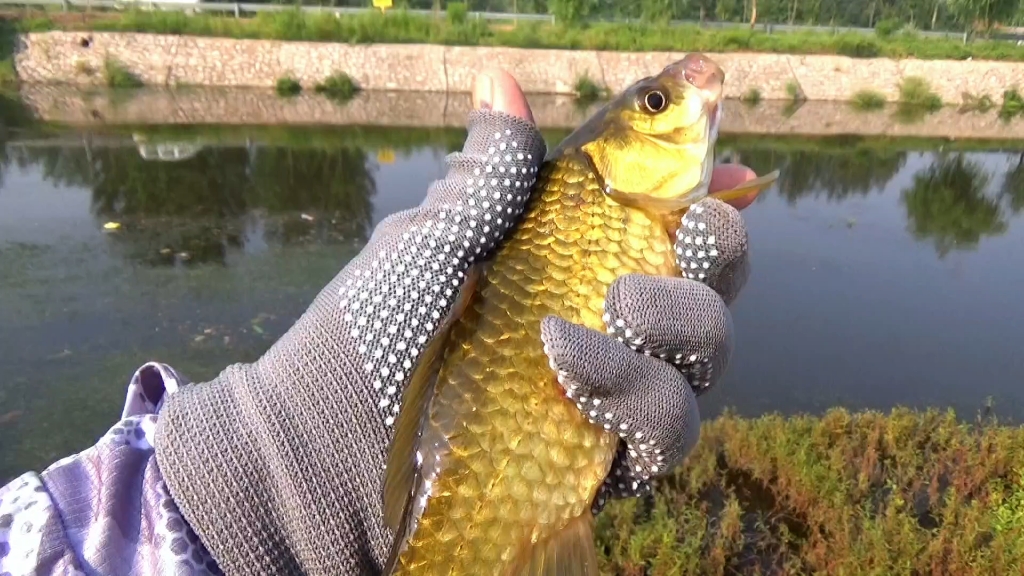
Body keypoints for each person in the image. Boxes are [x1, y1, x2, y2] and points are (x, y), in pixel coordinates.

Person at [0, 68, 761, 576]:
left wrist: (257, 490)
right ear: (611, 147)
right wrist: (279, 476)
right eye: (655, 104)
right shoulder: (579, 192)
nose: (687, 91)